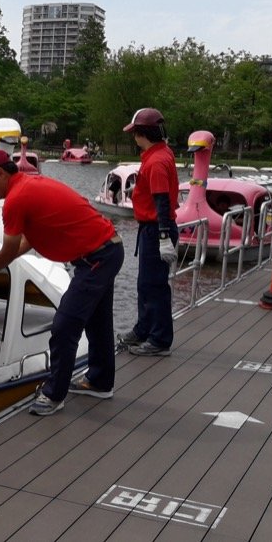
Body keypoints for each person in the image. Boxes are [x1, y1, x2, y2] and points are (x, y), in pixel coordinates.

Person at [0, 149, 123, 416]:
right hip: (107, 250)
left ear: (0, 173)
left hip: (96, 258)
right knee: (98, 322)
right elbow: (27, 243)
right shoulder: (27, 185)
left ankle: (53, 395)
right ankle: (100, 381)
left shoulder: (16, 199)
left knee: (64, 327)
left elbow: (8, 251)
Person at [120, 108, 179, 357]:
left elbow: (162, 201)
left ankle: (159, 339)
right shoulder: (160, 154)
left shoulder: (155, 162)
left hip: (156, 230)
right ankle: (144, 329)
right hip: (153, 228)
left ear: (140, 134)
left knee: (154, 286)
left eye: (134, 134)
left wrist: (164, 237)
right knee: (146, 284)